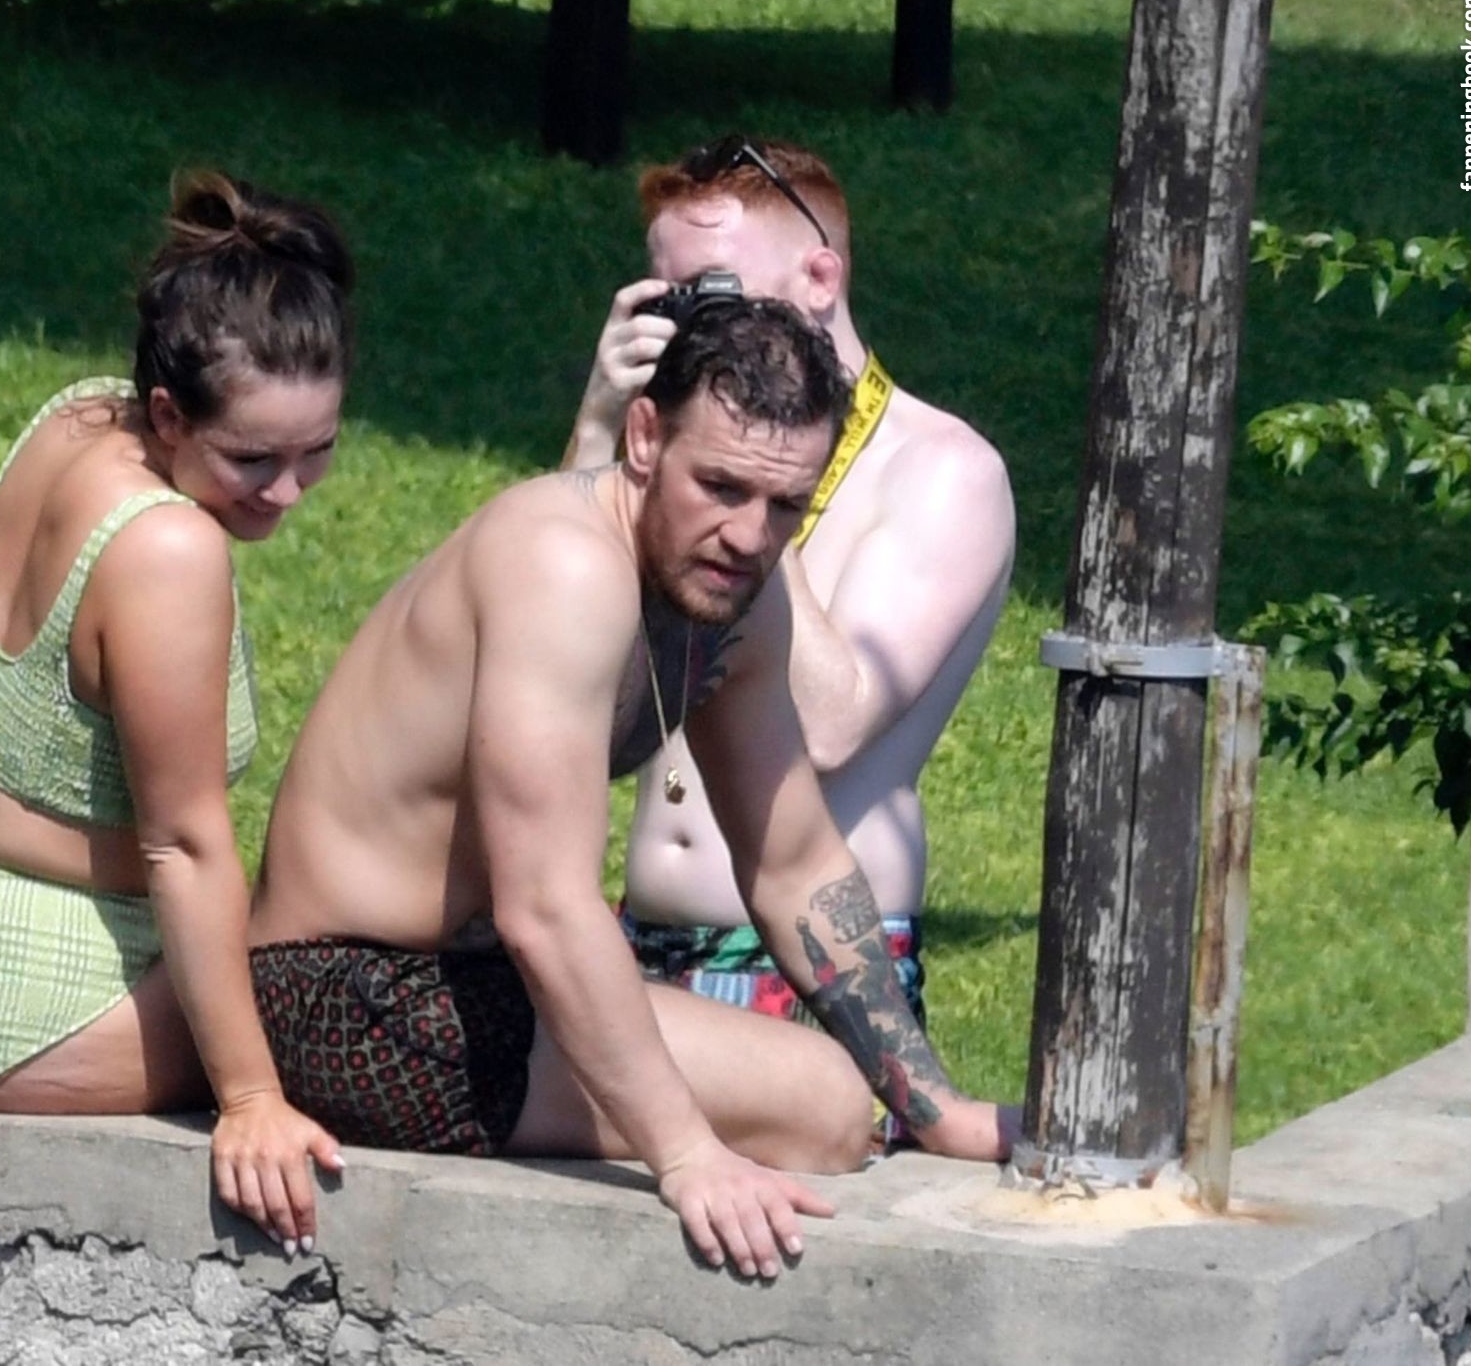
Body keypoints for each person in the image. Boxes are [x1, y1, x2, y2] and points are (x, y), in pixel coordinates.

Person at [248, 298, 1013, 1281]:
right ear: (645, 437)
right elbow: (546, 909)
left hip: (471, 979)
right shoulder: (564, 564)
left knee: (825, 1101)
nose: (749, 534)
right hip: (335, 994)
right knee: (817, 1103)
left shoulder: (740, 594)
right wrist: (687, 1154)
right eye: (721, 486)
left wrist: (937, 1110)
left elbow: (793, 863)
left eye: (787, 504)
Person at [0, 171, 350, 1256]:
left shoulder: (77, 416)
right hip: (5, 1004)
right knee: (349, 1007)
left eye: (317, 450)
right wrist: (249, 1099)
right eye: (253, 459)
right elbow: (185, 846)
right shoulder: (169, 548)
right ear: (168, 414)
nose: (287, 491)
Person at [564, 135, 1016, 1058]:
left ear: (819, 277)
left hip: (810, 962)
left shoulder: (943, 471)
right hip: (639, 945)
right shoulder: (682, 463)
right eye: (669, 301)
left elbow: (831, 725)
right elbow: (554, 661)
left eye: (716, 296)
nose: (695, 334)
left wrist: (763, 497)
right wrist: (600, 425)